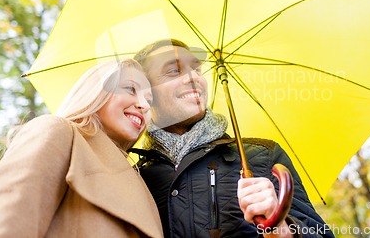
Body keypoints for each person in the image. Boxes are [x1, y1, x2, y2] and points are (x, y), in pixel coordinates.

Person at [130, 39, 335, 238]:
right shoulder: (135, 178)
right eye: (174, 71)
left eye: (196, 69)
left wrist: (279, 226)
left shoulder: (262, 156)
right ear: (146, 94)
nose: (194, 78)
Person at [0, 59, 163, 238]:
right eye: (130, 88)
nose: (144, 106)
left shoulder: (141, 181)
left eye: (149, 100)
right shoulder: (58, 132)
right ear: (96, 90)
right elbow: (5, 222)